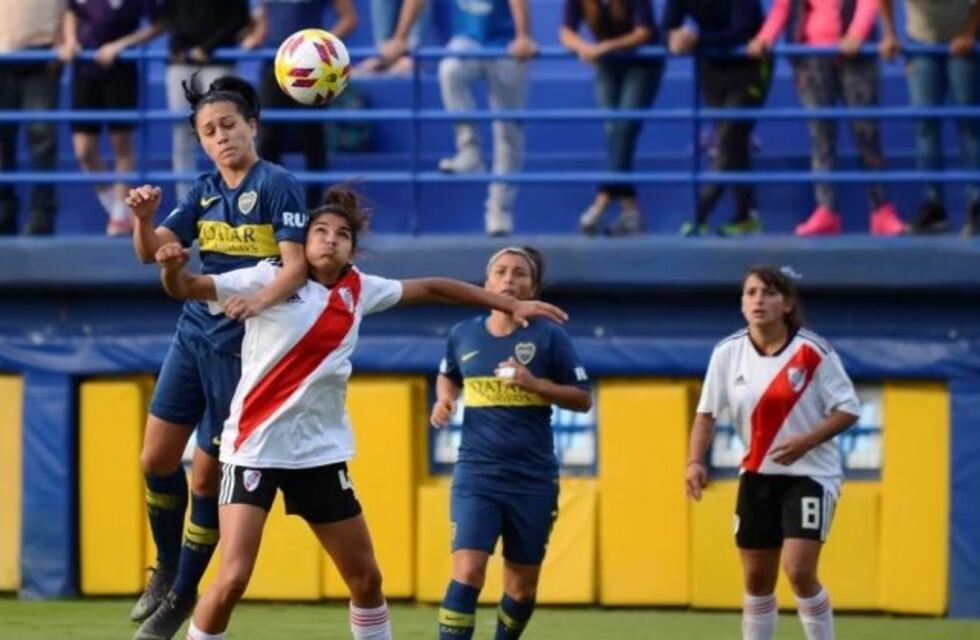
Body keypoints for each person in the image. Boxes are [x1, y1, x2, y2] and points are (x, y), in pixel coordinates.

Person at [148, 188, 570, 640]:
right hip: (254, 449)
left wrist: (509, 303)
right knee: (232, 579)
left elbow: (433, 287)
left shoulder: (360, 289)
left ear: (352, 247)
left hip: (318, 456)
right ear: (300, 241)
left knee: (366, 580)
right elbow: (187, 289)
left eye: (342, 234)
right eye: (320, 232)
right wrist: (173, 269)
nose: (331, 240)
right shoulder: (266, 278)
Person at [125, 74, 309, 640]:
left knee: (206, 478)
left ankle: (183, 598)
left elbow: (296, 267)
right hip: (194, 337)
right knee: (155, 459)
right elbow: (152, 254)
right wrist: (144, 220)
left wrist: (257, 300)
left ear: (252, 126)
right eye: (209, 131)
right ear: (201, 142)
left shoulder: (278, 184)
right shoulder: (203, 191)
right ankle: (168, 567)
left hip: (245, 352)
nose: (221, 136)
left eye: (229, 124)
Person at [686, 266, 860, 640]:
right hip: (756, 475)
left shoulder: (812, 351)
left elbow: (848, 408)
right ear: (741, 303)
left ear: (787, 303)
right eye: (750, 293)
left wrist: (805, 442)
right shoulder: (727, 353)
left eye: (768, 293)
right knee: (756, 579)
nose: (758, 301)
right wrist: (695, 461)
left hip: (810, 476)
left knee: (798, 570)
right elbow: (706, 414)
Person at [431, 246, 593, 640]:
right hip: (477, 475)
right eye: (500, 272)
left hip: (532, 479)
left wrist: (534, 384)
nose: (509, 280)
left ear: (533, 287)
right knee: (467, 571)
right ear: (486, 284)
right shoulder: (463, 334)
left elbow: (583, 398)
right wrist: (445, 398)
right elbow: (449, 373)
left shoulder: (550, 336)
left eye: (519, 273)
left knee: (521, 588)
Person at [747, 0, 905, 237]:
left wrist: (856, 34)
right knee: (820, 136)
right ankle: (826, 211)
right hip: (811, 58)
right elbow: (783, 7)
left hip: (857, 55)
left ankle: (881, 211)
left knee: (867, 134)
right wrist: (765, 37)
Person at [383, 0, 538, 237]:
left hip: (507, 45)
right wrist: (400, 37)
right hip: (469, 39)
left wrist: (523, 36)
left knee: (508, 131)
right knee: (450, 69)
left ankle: (499, 211)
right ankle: (470, 150)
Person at [663, 0, 772, 237]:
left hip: (750, 67)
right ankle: (747, 216)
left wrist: (697, 40)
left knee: (727, 141)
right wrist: (674, 39)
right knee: (735, 143)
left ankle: (699, 216)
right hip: (713, 71)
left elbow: (742, 30)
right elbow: (667, 26)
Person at [57, 0, 166, 236]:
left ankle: (119, 214)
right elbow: (71, 12)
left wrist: (120, 46)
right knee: (84, 151)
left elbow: (160, 24)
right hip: (84, 70)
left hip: (121, 71)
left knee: (121, 144)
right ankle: (115, 206)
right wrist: (71, 40)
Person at [560, 0, 662, 236]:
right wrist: (583, 47)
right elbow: (566, 32)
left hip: (642, 63)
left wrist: (605, 46)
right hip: (607, 64)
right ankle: (631, 210)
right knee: (613, 132)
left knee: (624, 127)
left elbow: (644, 32)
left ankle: (601, 201)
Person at [880, 0, 980, 235]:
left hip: (963, 40)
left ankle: (977, 204)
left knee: (969, 124)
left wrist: (969, 34)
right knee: (924, 123)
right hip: (921, 42)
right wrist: (890, 34)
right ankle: (933, 206)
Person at [246, 0, 358, 210]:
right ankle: (277, 207)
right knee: (267, 140)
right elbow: (264, 19)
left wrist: (321, 51)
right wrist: (256, 36)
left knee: (313, 138)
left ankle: (314, 210)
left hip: (313, 75)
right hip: (273, 68)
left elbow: (350, 19)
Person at [162, 0, 252, 200]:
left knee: (224, 130)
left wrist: (208, 47)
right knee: (182, 130)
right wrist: (184, 49)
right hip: (181, 62)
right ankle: (185, 205)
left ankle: (228, 201)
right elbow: (167, 15)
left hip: (218, 60)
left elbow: (239, 19)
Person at [0, 0, 64, 235]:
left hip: (42, 52)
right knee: (2, 138)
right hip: (2, 54)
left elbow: (70, 8)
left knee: (42, 135)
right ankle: (3, 211)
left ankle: (42, 213)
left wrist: (64, 39)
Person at [357, 0, 430, 75]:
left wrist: (399, 41)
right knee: (358, 74)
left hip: (410, 53)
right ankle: (385, 56)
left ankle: (409, 56)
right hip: (387, 53)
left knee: (406, 66)